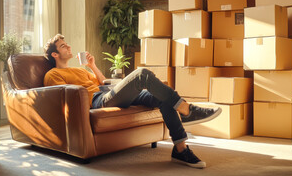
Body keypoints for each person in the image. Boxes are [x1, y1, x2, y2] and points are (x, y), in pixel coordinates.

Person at [43, 34, 222, 168]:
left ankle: (180, 150)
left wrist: (92, 66)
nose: (68, 47)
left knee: (163, 98)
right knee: (142, 74)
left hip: (107, 92)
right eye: (63, 46)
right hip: (99, 100)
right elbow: (60, 96)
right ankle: (187, 110)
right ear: (55, 55)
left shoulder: (81, 70)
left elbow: (103, 81)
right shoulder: (53, 74)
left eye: (67, 44)